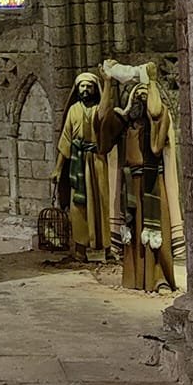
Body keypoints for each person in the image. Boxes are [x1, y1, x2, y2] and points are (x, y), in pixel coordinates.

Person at [99, 61, 185, 293]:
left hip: (152, 182)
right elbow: (102, 121)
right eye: (137, 96)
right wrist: (107, 83)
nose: (140, 101)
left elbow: (157, 115)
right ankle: (136, 279)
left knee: (157, 233)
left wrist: (152, 81)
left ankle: (159, 279)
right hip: (130, 184)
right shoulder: (124, 124)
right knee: (133, 235)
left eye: (144, 97)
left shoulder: (158, 121)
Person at [51, 70, 111, 262]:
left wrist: (107, 83)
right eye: (82, 86)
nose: (85, 90)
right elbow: (65, 141)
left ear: (95, 89)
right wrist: (58, 168)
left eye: (89, 86)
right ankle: (80, 249)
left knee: (102, 202)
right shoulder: (73, 110)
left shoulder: (97, 110)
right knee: (79, 206)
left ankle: (108, 248)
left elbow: (104, 114)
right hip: (78, 162)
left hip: (97, 161)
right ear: (77, 89)